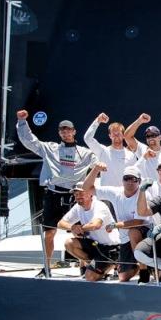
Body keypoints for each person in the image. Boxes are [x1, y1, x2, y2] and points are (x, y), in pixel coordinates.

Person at [16, 109, 95, 273]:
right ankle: (46, 266)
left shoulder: (86, 153)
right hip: (53, 195)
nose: (66, 132)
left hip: (75, 196)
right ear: (59, 133)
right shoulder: (49, 148)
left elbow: (101, 160)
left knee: (80, 232)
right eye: (62, 130)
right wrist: (22, 122)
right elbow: (30, 141)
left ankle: (84, 266)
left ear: (74, 132)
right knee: (49, 233)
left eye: (68, 129)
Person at [82, 163, 147, 282]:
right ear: (122, 180)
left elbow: (138, 221)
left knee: (133, 232)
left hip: (143, 234)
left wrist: (115, 225)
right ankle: (137, 266)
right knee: (123, 277)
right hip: (124, 239)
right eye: (127, 178)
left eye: (134, 179)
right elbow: (86, 188)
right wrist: (96, 169)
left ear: (139, 181)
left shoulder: (143, 195)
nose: (130, 182)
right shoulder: (116, 192)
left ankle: (144, 271)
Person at [56, 182, 120, 282]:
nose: (78, 197)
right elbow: (60, 223)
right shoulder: (78, 207)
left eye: (81, 193)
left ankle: (112, 264)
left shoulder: (99, 206)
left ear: (90, 194)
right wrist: (72, 227)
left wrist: (80, 228)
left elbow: (96, 225)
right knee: (69, 243)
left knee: (90, 277)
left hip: (110, 248)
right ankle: (95, 265)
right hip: (95, 246)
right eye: (76, 194)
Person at [83, 112, 137, 187]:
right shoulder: (103, 151)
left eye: (118, 133)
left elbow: (135, 175)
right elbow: (87, 138)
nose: (116, 136)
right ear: (110, 136)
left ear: (123, 135)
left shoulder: (131, 155)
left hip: (124, 196)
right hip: (105, 196)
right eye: (113, 134)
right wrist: (98, 120)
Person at [124, 115, 161, 181]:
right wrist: (139, 121)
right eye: (148, 136)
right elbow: (127, 136)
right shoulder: (142, 149)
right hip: (147, 189)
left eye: (153, 135)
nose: (151, 138)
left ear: (160, 137)